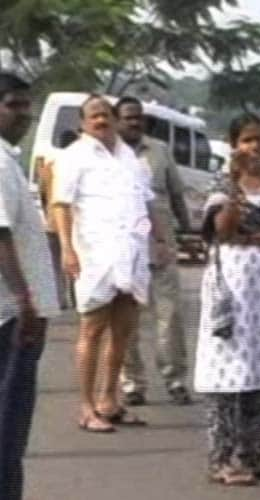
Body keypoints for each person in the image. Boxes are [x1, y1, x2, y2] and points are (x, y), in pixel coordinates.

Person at [194, 112, 260, 486]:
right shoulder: (222, 183)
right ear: (234, 145)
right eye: (246, 141)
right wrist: (236, 186)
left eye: (259, 139)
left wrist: (252, 237)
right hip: (232, 287)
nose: (254, 147)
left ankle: (253, 455)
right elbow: (222, 230)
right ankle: (220, 459)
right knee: (225, 370)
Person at [53, 95, 169, 432]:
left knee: (123, 331)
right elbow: (61, 205)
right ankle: (86, 407)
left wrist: (157, 240)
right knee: (92, 329)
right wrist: (66, 249)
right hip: (94, 254)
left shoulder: (131, 158)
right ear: (83, 124)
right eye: (94, 116)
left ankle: (109, 400)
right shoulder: (75, 156)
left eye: (106, 115)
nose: (101, 121)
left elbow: (144, 207)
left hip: (131, 254)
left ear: (116, 119)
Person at [0, 72, 60, 500]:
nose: (24, 115)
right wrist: (25, 301)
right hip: (11, 316)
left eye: (26, 105)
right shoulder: (0, 164)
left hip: (15, 312)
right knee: (7, 432)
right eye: (13, 105)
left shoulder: (9, 160)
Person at [114, 96, 192, 406]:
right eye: (128, 117)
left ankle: (175, 380)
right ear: (117, 120)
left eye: (138, 118)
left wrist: (186, 230)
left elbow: (176, 193)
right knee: (126, 317)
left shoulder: (159, 151)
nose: (134, 122)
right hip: (124, 246)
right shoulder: (109, 154)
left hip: (160, 242)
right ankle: (133, 383)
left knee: (169, 313)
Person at [37, 129, 79, 309]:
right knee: (75, 259)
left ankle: (59, 300)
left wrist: (48, 212)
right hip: (72, 221)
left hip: (52, 221)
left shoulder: (49, 166)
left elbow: (42, 192)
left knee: (55, 263)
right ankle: (77, 298)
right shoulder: (77, 164)